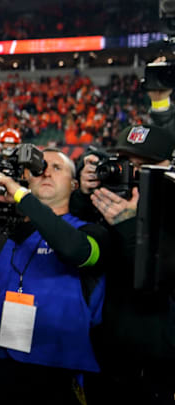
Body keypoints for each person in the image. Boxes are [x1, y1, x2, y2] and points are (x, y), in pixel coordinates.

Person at [0, 149, 110, 405]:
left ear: (74, 184)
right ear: (26, 178)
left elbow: (75, 250)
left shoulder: (91, 232)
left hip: (57, 369)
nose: (46, 172)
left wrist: (21, 197)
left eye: (57, 168)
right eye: (39, 168)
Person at [80, 124, 175, 404]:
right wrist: (83, 195)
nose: (132, 174)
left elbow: (162, 277)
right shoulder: (106, 201)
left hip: (157, 363)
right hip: (105, 356)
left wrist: (130, 225)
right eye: (125, 163)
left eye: (144, 165)